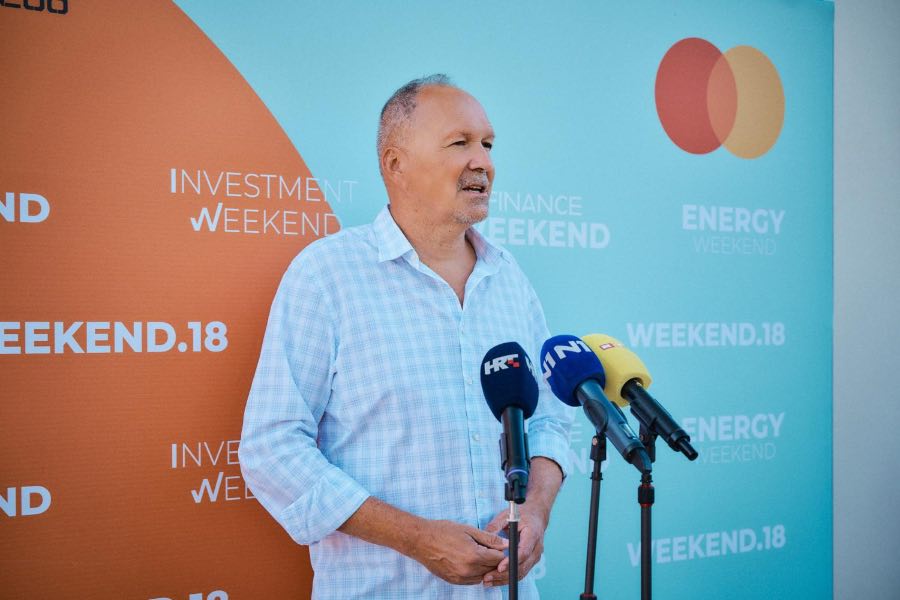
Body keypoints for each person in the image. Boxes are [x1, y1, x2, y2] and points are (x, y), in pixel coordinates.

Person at [239, 74, 573, 599]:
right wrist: (414, 538)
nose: (482, 161)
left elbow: (550, 418)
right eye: (459, 143)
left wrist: (536, 511)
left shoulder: (510, 279)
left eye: (487, 144)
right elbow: (272, 448)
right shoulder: (327, 276)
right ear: (395, 164)